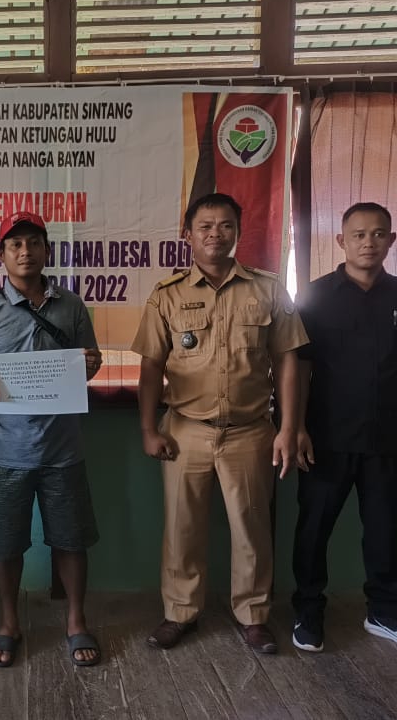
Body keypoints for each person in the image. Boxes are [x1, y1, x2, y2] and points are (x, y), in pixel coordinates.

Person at [131, 192, 307, 654]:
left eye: (226, 225)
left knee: (252, 529)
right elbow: (151, 366)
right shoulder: (167, 295)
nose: (216, 234)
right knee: (182, 528)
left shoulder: (269, 290)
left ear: (238, 232)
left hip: (250, 430)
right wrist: (148, 429)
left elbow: (288, 362)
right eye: (205, 226)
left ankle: (253, 616)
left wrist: (289, 428)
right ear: (187, 235)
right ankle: (179, 613)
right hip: (185, 430)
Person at [0, 210, 104, 669]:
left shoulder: (71, 306)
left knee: (71, 540)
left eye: (34, 243)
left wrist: (90, 365)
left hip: (63, 450)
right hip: (4, 453)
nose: (25, 252)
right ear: (0, 254)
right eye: (15, 244)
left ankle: (76, 620)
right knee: (5, 544)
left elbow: (88, 366)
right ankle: (8, 622)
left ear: (46, 250)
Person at [291, 202, 397, 655]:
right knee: (313, 529)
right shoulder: (315, 296)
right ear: (341, 241)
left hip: (387, 438)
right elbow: (298, 367)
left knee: (383, 530)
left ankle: (385, 612)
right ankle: (308, 610)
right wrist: (295, 426)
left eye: (378, 234)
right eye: (358, 234)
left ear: (391, 240)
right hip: (326, 438)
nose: (368, 243)